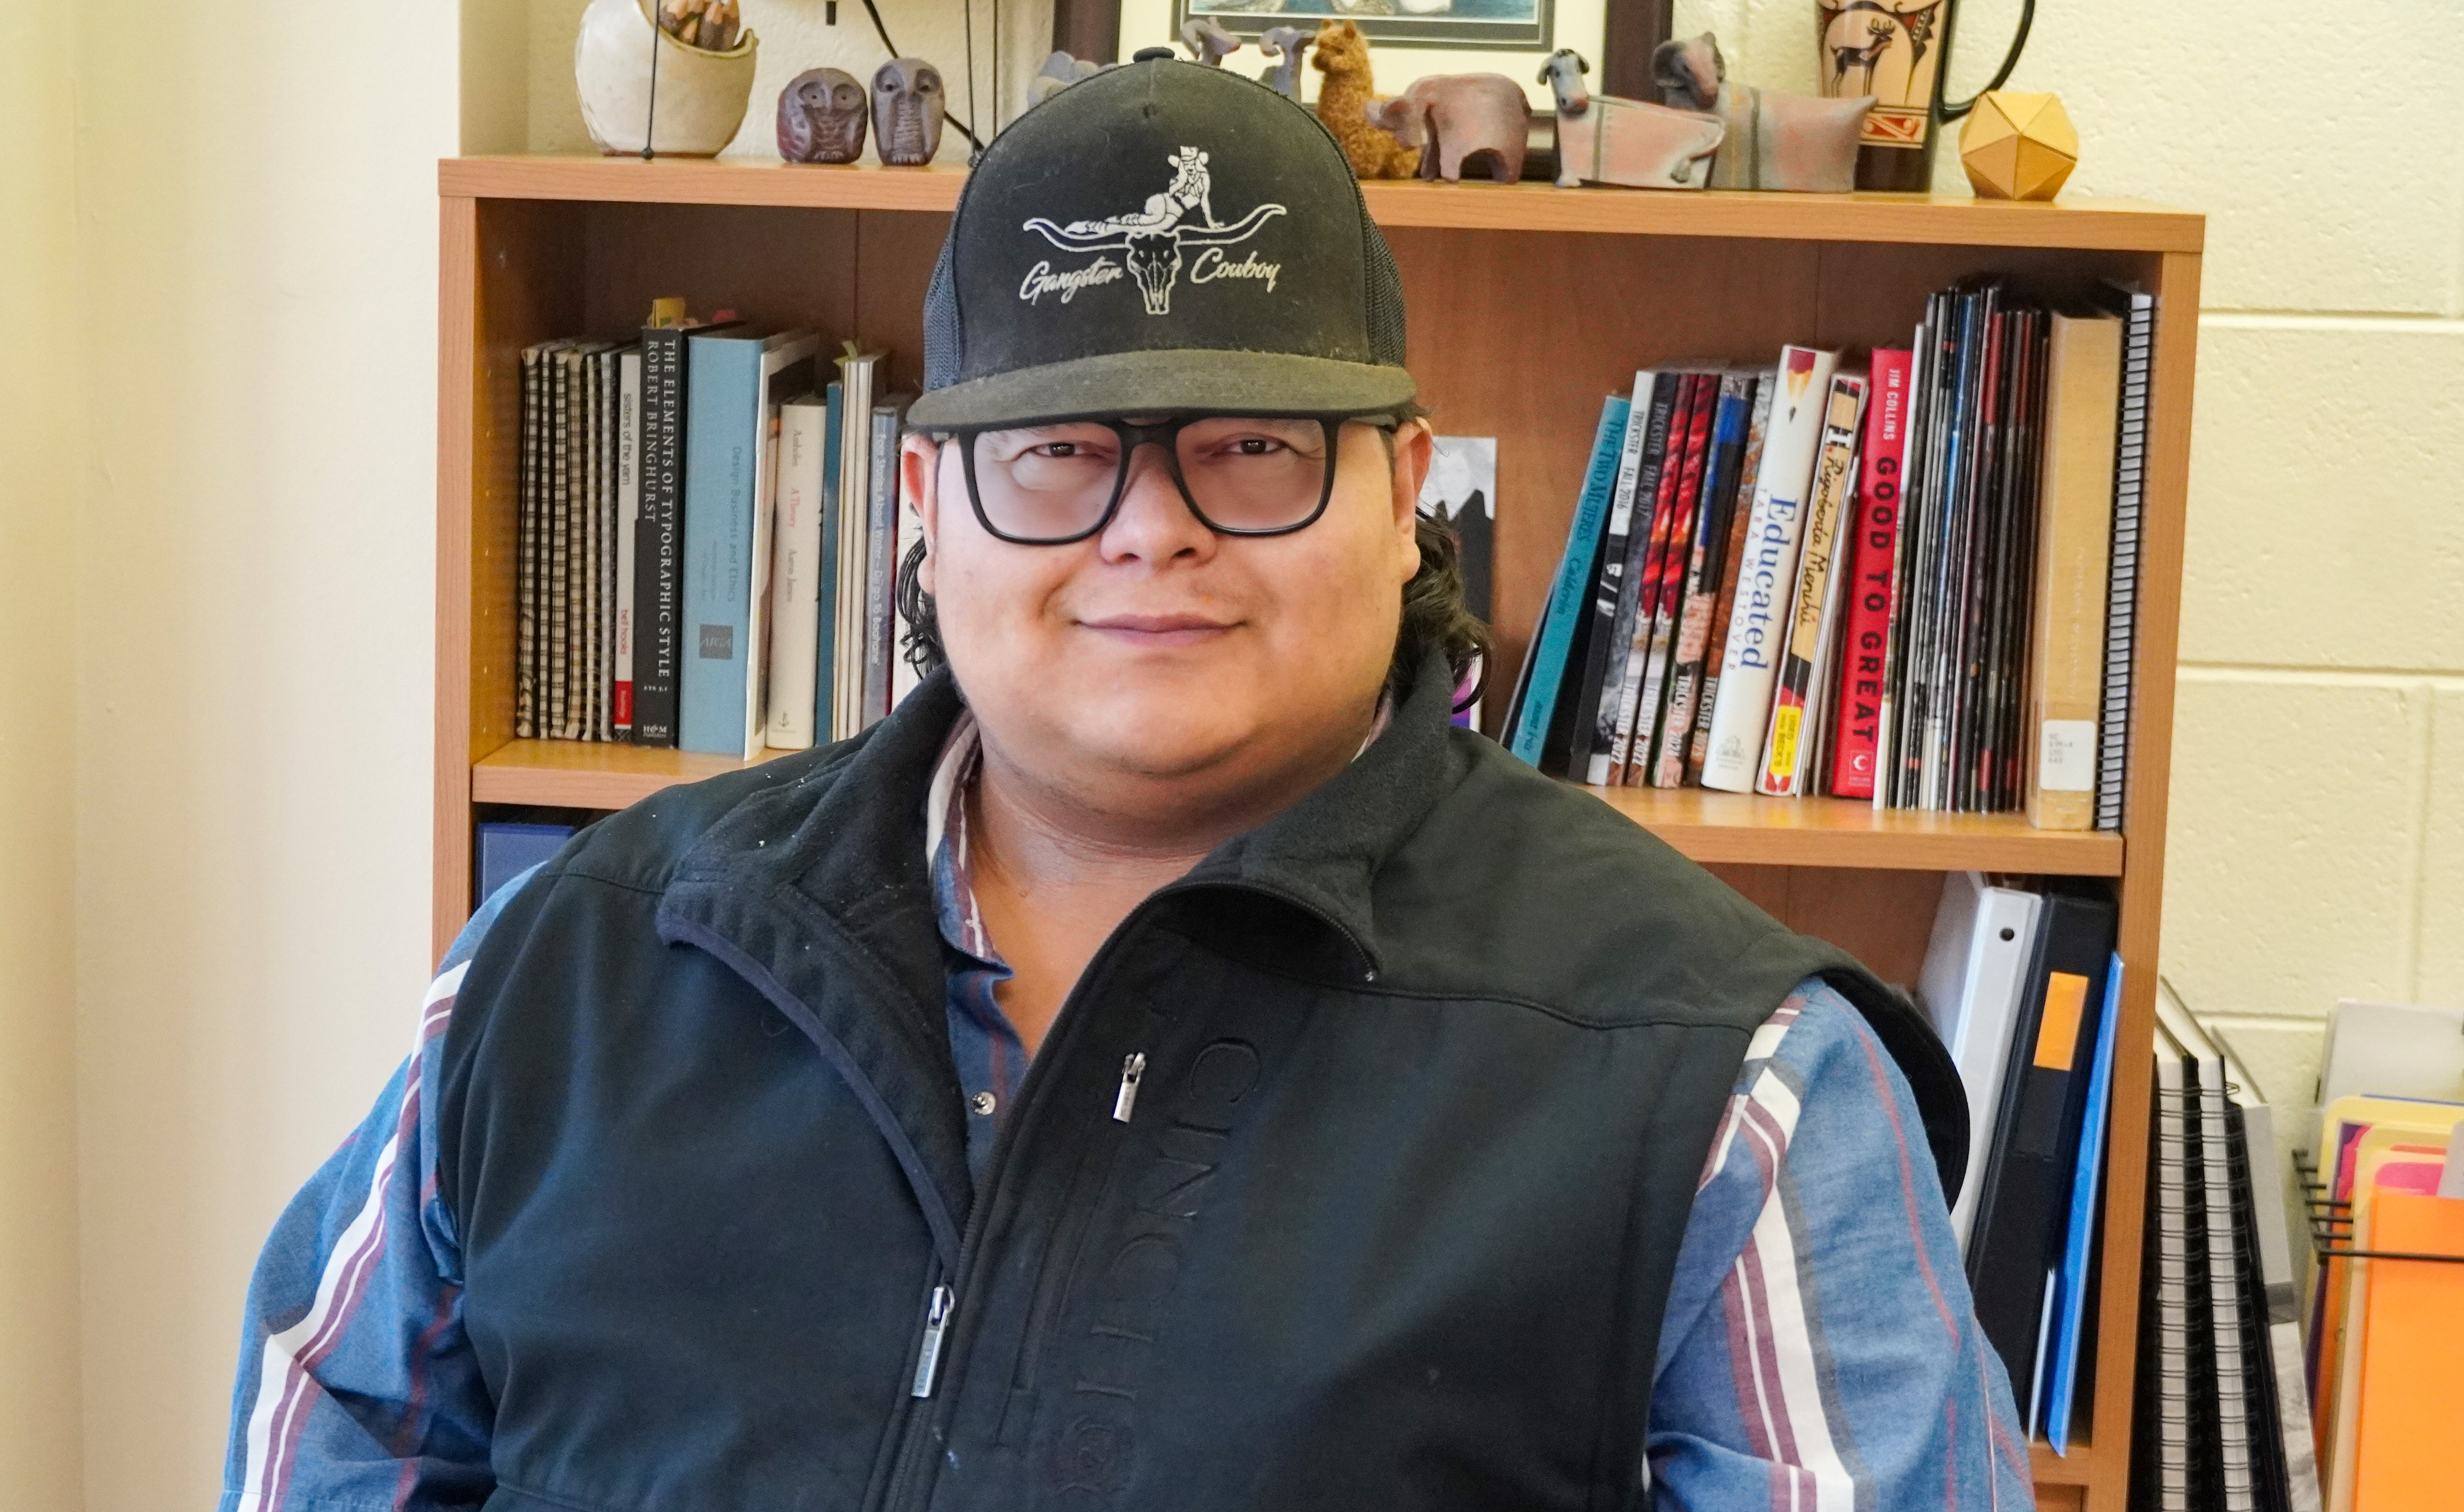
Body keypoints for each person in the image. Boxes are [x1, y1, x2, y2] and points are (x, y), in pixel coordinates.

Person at [222, 55, 2033, 1512]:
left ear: (1407, 491)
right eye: (1062, 451)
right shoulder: (565, 973)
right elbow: (334, 1424)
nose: (1148, 529)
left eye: (1248, 446)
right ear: (925, 511)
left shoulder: (1729, 1088)